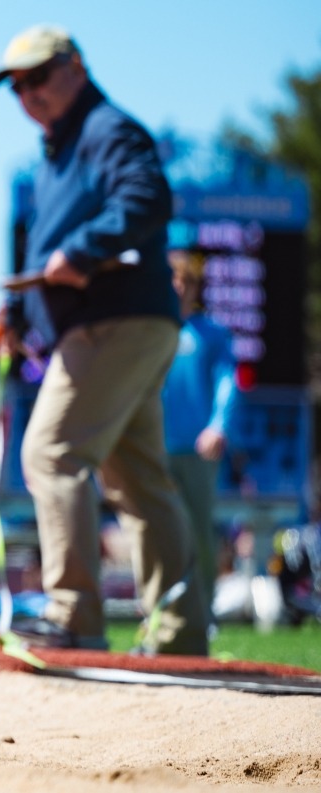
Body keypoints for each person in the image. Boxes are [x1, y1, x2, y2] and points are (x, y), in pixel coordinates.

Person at [0, 25, 207, 654]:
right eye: (16, 86)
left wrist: (80, 250)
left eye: (37, 77)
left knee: (51, 454)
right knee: (139, 481)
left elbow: (148, 199)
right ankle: (179, 633)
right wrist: (15, 312)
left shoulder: (106, 128)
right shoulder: (56, 153)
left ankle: (74, 614)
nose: (27, 93)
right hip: (126, 326)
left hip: (114, 323)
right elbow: (44, 246)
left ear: (76, 66)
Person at [163, 250, 240, 623]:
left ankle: (203, 616)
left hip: (196, 451)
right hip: (154, 449)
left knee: (199, 535)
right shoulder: (152, 332)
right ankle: (159, 615)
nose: (178, 286)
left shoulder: (212, 334)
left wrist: (218, 426)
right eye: (172, 278)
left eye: (186, 280)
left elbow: (228, 382)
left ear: (195, 286)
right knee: (156, 536)